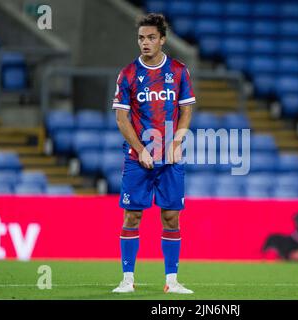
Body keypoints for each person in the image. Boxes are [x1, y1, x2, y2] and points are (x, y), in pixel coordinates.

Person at [111, 13, 195, 294]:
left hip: (170, 159)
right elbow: (122, 119)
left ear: (162, 40)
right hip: (139, 159)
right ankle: (127, 279)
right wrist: (140, 149)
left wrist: (177, 141)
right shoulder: (128, 74)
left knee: (171, 217)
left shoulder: (179, 71)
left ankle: (172, 281)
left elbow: (186, 110)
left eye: (150, 38)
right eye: (140, 38)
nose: (144, 43)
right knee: (132, 217)